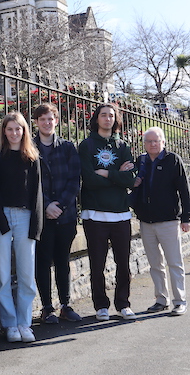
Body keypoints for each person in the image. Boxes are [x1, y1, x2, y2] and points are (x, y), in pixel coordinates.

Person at [0, 111, 44, 343]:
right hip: (1, 218)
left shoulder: (32, 157)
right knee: (2, 274)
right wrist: (0, 221)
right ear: (4, 131)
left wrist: (36, 225)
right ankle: (9, 324)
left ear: (24, 131)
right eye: (10, 129)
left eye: (18, 129)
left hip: (26, 217)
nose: (14, 133)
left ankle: (24, 323)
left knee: (27, 275)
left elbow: (38, 193)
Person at [78, 103, 137, 321]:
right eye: (103, 115)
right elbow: (89, 180)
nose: (107, 119)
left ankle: (123, 304)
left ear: (116, 119)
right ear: (97, 118)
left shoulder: (123, 146)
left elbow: (130, 179)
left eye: (111, 115)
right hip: (95, 214)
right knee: (97, 263)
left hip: (121, 213)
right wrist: (116, 175)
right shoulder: (86, 145)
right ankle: (101, 305)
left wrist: (106, 173)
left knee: (123, 262)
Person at [130, 126, 190, 316]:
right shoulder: (141, 161)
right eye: (148, 141)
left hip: (168, 221)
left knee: (174, 262)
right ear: (144, 144)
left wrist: (186, 216)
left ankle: (180, 301)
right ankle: (160, 299)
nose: (152, 144)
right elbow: (132, 185)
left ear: (163, 142)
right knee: (155, 264)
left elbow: (184, 189)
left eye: (156, 140)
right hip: (146, 222)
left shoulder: (172, 160)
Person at [32, 103, 82, 324]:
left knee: (63, 260)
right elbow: (29, 183)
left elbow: (74, 180)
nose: (47, 122)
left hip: (66, 215)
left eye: (50, 118)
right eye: (42, 119)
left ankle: (65, 304)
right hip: (41, 216)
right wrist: (45, 206)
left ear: (56, 121)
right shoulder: (29, 147)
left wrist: (59, 205)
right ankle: (46, 307)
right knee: (42, 261)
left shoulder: (68, 147)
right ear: (36, 122)